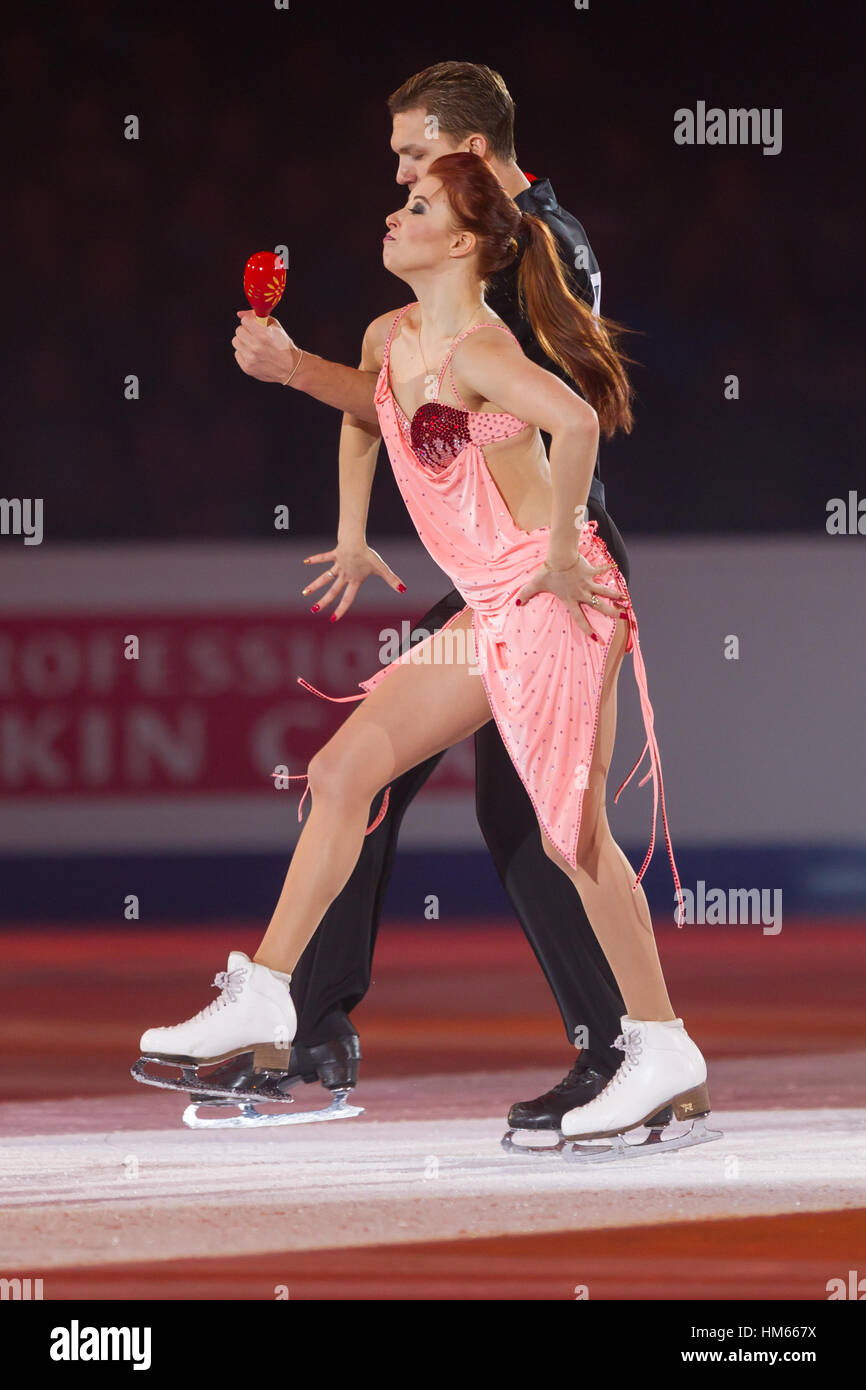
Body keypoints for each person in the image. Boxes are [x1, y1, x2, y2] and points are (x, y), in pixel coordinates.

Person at [137, 149, 714, 1154]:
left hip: (547, 600)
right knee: (342, 767)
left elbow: (575, 420)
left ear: (459, 242)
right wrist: (352, 522)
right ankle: (269, 994)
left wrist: (565, 546)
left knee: (570, 836)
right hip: (486, 609)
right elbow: (369, 408)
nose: (392, 215)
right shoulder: (390, 335)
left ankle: (660, 1045)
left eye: (414, 205)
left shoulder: (482, 350)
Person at [228, 62, 638, 1133]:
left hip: (541, 568)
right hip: (497, 575)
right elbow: (400, 395)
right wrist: (357, 523)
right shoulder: (480, 256)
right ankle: (303, 1018)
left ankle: (622, 1049)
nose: (399, 173)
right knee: (365, 771)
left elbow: (491, 412)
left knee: (531, 816)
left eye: (414, 155)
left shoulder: (525, 249)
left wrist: (296, 372)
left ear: (468, 153)